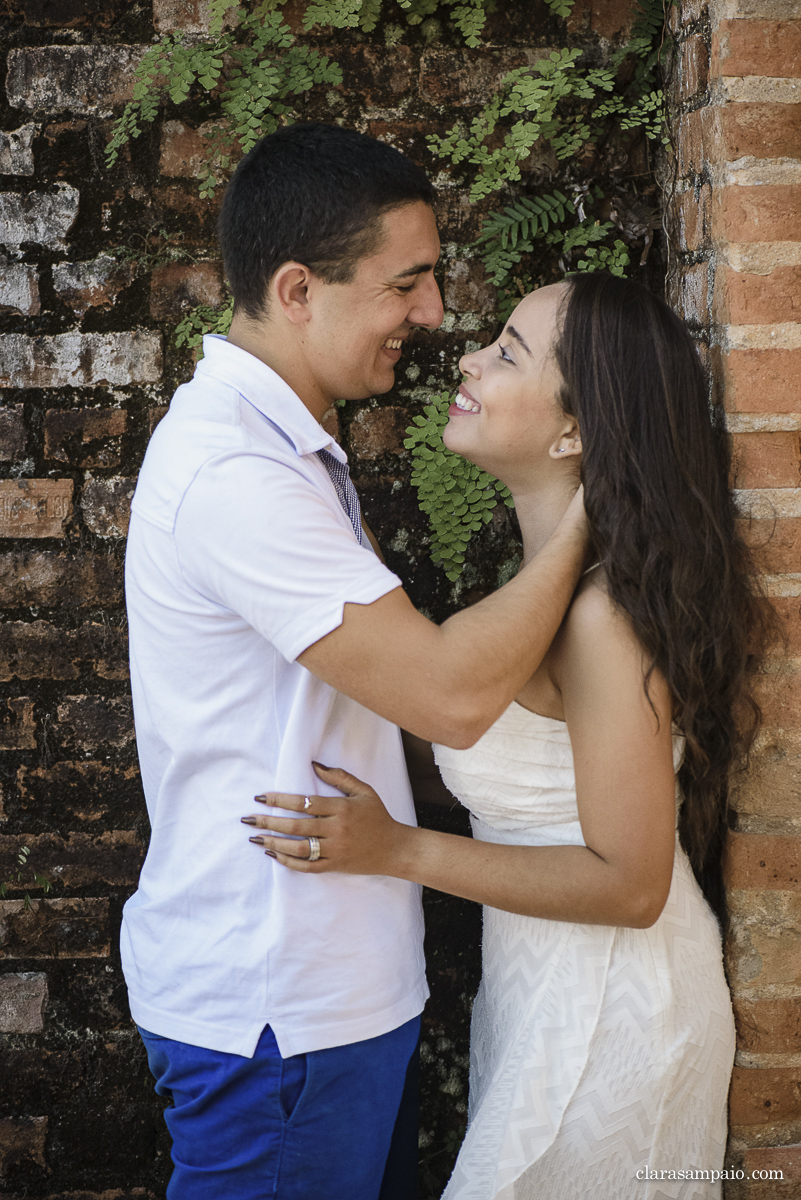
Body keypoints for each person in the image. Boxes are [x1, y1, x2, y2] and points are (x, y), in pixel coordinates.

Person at [122, 123, 588, 1200]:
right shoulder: (239, 474)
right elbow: (450, 695)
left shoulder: (288, 446)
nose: (430, 316)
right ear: (297, 290)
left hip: (331, 997)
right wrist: (587, 526)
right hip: (279, 1013)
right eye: (406, 284)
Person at [246, 272, 770, 1200]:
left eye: (507, 352)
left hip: (619, 1010)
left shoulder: (602, 621)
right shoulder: (548, 599)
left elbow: (631, 882)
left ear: (574, 433)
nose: (468, 356)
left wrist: (399, 850)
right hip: (546, 993)